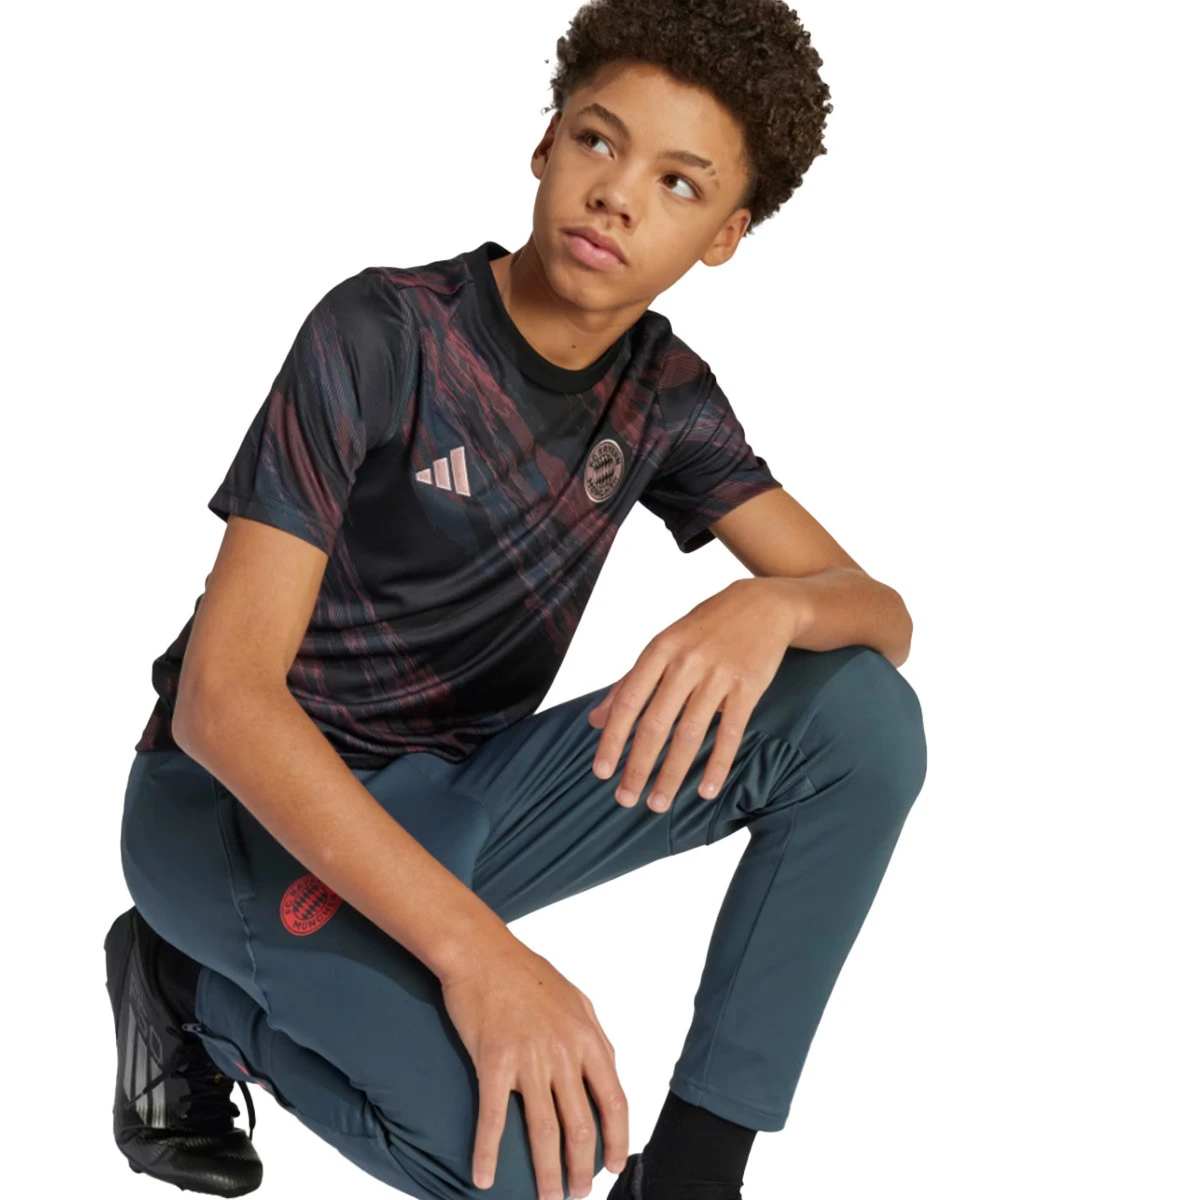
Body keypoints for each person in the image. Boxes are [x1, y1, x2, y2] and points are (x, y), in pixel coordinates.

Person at [104, 3, 928, 1199]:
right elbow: (223, 702)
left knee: (859, 719)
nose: (619, 196)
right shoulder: (384, 334)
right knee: (535, 1167)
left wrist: (775, 610)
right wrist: (481, 960)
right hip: (237, 811)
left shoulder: (664, 395)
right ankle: (186, 987)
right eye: (599, 141)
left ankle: (691, 1179)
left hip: (451, 799)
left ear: (725, 235)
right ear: (545, 144)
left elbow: (881, 614)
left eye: (679, 182)